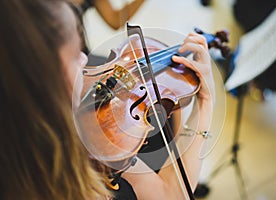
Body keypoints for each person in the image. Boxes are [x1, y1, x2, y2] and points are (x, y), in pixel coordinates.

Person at [0, 0, 215, 199]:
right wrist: (205, 104)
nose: (85, 59)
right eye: (76, 54)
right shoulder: (87, 142)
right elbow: (171, 194)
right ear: (42, 79)